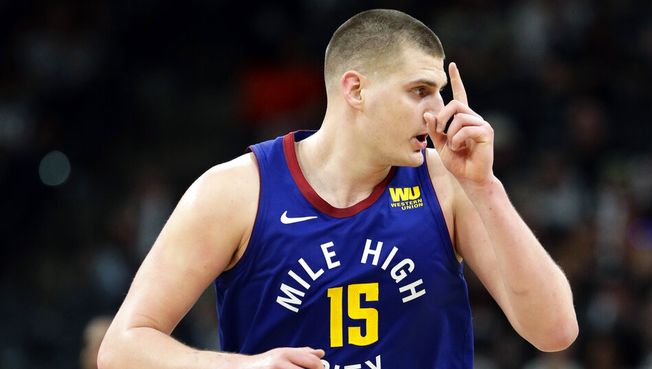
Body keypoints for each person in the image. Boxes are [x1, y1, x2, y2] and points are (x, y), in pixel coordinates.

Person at [98, 8, 578, 369]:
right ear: (355, 90)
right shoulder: (236, 190)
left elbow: (555, 332)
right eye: (419, 91)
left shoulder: (448, 182)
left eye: (440, 93)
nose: (439, 113)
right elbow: (122, 347)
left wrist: (487, 188)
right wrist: (242, 367)